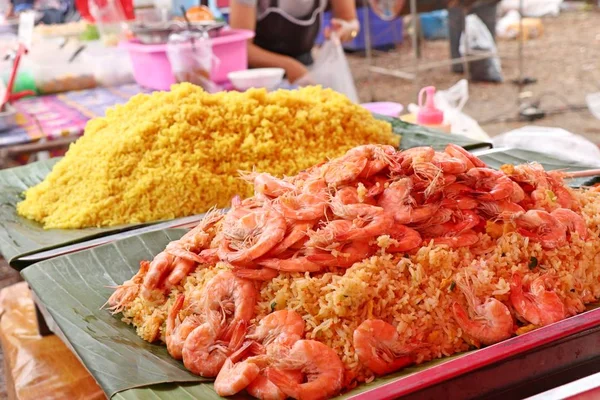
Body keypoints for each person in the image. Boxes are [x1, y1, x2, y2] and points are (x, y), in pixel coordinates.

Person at [229, 0, 360, 83]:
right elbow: (241, 47)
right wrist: (289, 66)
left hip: (305, 66)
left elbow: (350, 21)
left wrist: (346, 30)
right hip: (258, 78)